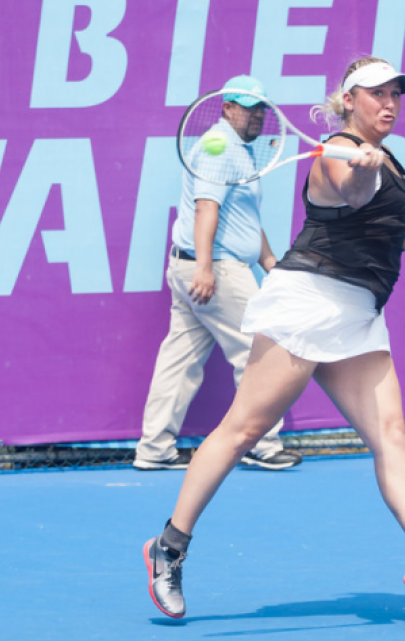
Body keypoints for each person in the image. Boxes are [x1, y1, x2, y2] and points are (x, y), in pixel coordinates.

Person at [142, 58, 405, 618]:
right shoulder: (336, 155)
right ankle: (168, 548)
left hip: (359, 314)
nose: (388, 103)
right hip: (308, 303)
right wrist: (361, 167)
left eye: (395, 93)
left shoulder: (387, 158)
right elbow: (354, 193)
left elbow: (396, 232)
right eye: (375, 94)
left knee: (391, 435)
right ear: (348, 100)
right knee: (242, 430)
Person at [133, 75, 303, 472]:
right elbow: (207, 209)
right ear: (227, 108)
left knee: (179, 361)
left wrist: (268, 262)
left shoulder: (236, 151)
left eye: (261, 107)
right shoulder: (221, 146)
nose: (256, 115)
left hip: (194, 267)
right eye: (247, 107)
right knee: (259, 354)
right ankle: (263, 445)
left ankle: (154, 449)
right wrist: (206, 268)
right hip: (216, 271)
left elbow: (241, 215)